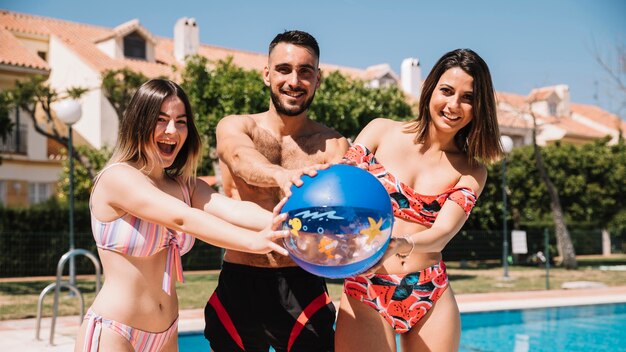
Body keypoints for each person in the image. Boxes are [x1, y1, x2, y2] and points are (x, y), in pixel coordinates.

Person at [74, 79, 290, 352]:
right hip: (116, 331)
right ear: (139, 123)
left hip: (165, 333)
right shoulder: (118, 178)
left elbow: (235, 210)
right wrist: (254, 242)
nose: (171, 131)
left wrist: (297, 221)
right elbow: (183, 219)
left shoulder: (184, 185)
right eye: (161, 120)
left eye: (181, 121)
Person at [335, 49, 503, 352]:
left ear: (479, 108)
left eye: (467, 98)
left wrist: (401, 244)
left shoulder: (472, 169)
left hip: (430, 292)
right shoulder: (380, 131)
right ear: (430, 89)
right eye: (447, 91)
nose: (454, 105)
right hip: (367, 287)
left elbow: (442, 233)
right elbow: (340, 188)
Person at [204, 30, 349, 352]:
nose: (294, 80)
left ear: (318, 80)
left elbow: (345, 212)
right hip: (240, 280)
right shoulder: (237, 126)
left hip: (303, 282)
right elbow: (239, 158)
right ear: (267, 74)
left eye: (305, 71)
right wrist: (282, 176)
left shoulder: (333, 145)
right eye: (284, 69)